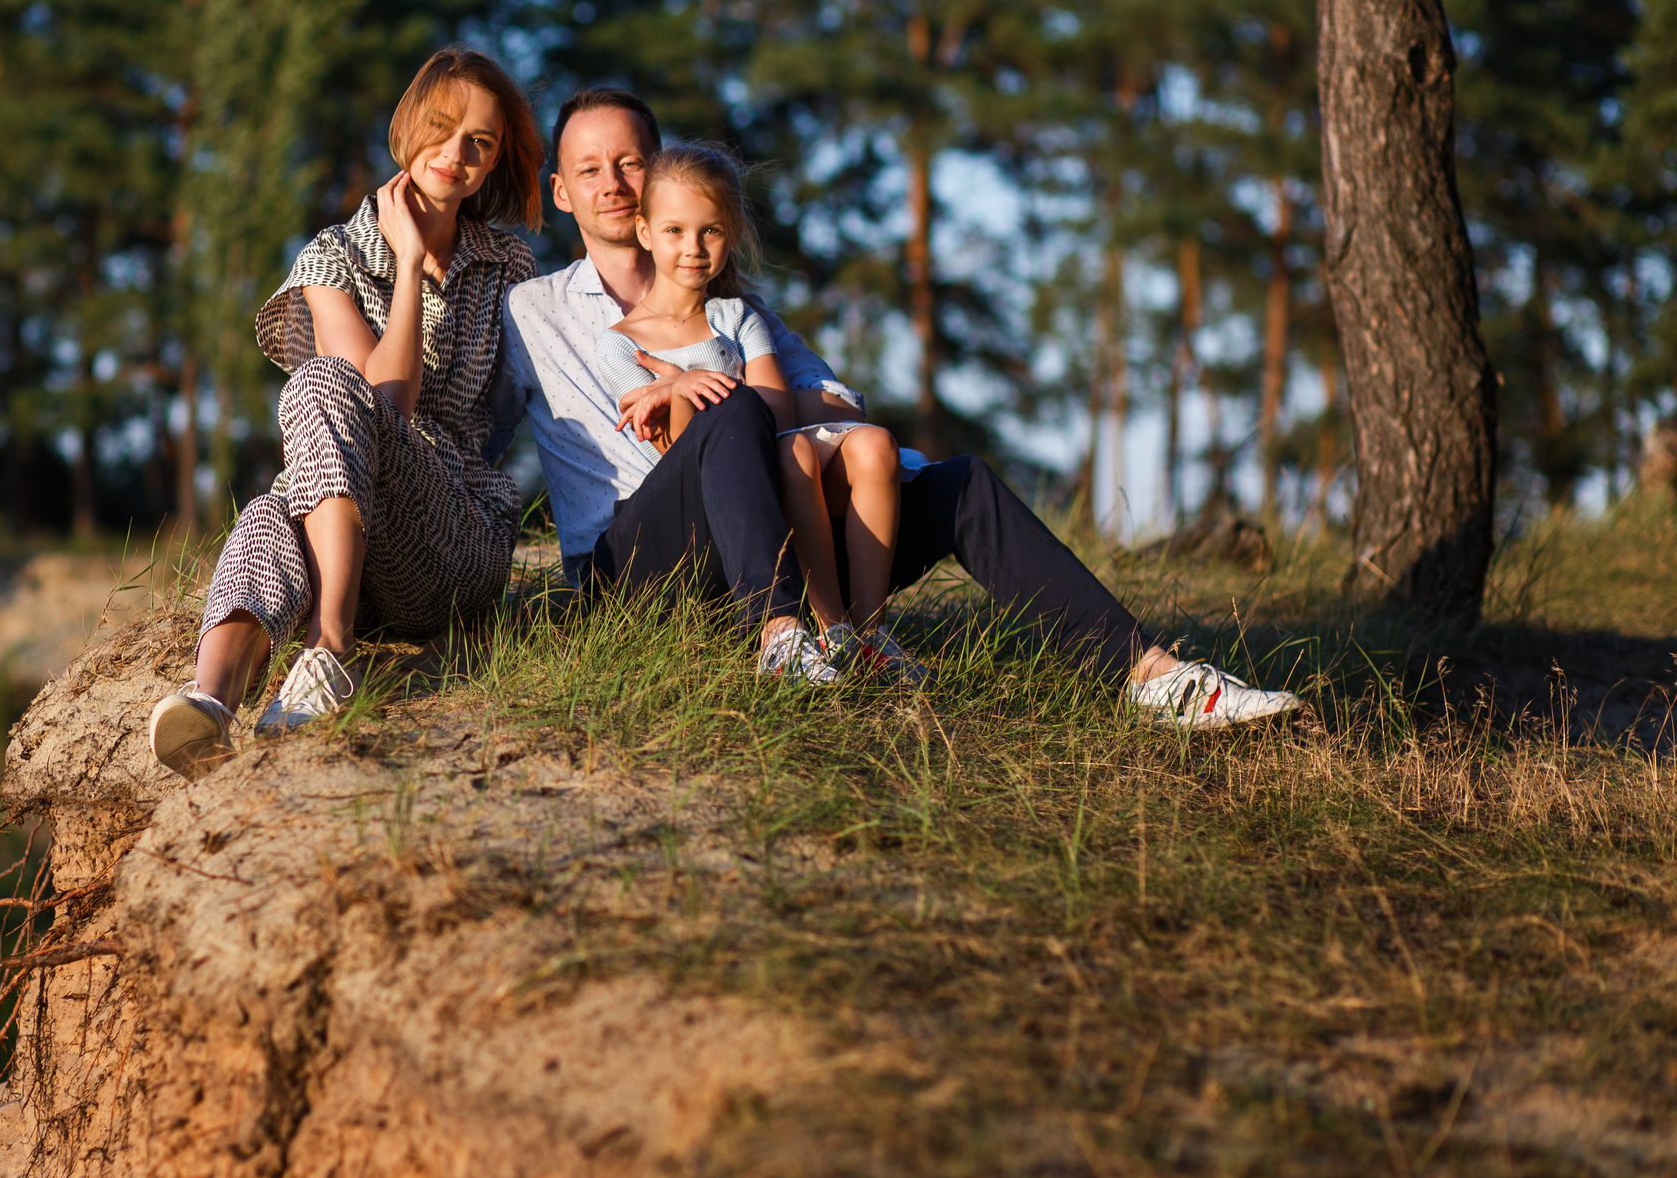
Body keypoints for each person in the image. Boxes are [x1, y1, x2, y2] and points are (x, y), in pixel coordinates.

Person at [497, 87, 1304, 729]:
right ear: (561, 191)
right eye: (591, 167)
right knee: (731, 411)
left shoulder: (737, 309)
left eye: (630, 161)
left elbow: (835, 404)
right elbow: (466, 412)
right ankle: (781, 639)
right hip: (641, 570)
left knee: (960, 484)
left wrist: (752, 394)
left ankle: (1151, 676)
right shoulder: (530, 308)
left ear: (662, 171)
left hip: (767, 534)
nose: (612, 181)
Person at [147, 47, 544, 775]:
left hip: (455, 536)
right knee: (272, 506)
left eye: (480, 143)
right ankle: (210, 704)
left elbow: (387, 405)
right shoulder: (333, 256)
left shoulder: (509, 266)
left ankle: (330, 649)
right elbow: (374, 407)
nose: (456, 153)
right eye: (443, 126)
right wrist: (401, 258)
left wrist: (413, 262)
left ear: (492, 163)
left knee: (327, 385)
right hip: (357, 546)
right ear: (407, 126)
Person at [593, 141, 926, 683]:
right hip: (706, 500)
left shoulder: (736, 317)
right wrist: (683, 392)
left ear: (732, 235)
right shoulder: (619, 348)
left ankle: (867, 634)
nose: (694, 248)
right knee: (794, 449)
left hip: (770, 447)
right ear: (645, 232)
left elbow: (773, 410)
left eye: (711, 231)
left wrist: (681, 383)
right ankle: (820, 626)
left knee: (874, 442)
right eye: (675, 231)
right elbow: (683, 454)